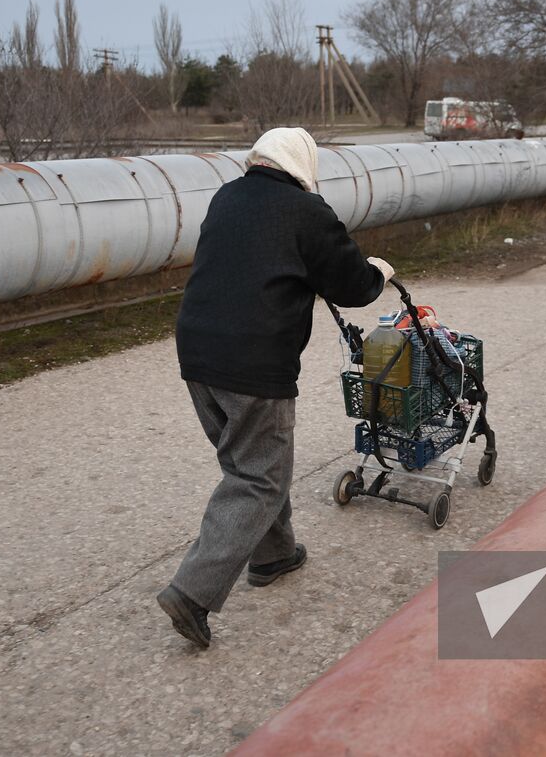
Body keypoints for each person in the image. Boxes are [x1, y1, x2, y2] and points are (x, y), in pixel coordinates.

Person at [157, 127, 393, 649]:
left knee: (248, 463)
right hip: (253, 362)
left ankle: (273, 556)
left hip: (197, 354)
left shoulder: (227, 195)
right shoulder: (307, 212)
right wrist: (378, 273)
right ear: (303, 164)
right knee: (259, 477)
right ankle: (192, 592)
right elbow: (352, 286)